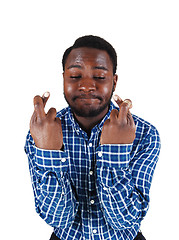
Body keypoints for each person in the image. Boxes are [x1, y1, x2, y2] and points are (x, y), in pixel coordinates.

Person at [24, 35, 161, 240]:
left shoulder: (144, 133)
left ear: (114, 81)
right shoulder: (40, 132)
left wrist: (115, 151)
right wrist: (48, 151)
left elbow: (123, 221)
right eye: (75, 76)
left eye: (99, 77)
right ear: (63, 79)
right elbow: (58, 219)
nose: (87, 86)